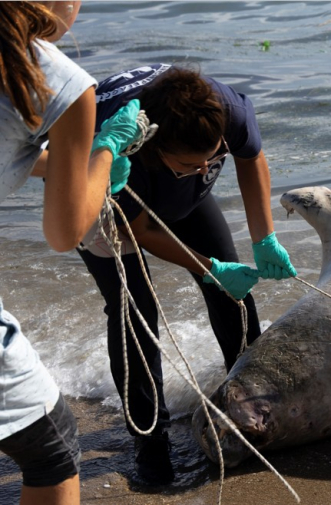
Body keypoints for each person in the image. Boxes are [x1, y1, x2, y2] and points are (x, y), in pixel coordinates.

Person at [75, 63, 296, 485]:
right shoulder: (124, 144)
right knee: (133, 313)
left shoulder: (227, 110)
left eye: (212, 160)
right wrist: (210, 267)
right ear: (156, 148)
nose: (204, 171)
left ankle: (253, 407)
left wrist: (264, 238)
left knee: (234, 297)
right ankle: (150, 442)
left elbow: (251, 158)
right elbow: (135, 230)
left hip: (173, 184)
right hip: (106, 191)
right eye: (190, 165)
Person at [0, 1, 144, 503]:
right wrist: (104, 151)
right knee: (52, 449)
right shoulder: (58, 79)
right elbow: (64, 234)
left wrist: (63, 164)